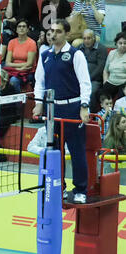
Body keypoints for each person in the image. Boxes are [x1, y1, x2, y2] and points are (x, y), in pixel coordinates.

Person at [33, 19, 92, 204]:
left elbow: (85, 82)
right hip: (52, 110)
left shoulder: (76, 54)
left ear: (66, 34)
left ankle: (81, 190)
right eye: (51, 31)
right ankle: (59, 188)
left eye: (58, 31)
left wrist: (84, 105)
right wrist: (38, 103)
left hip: (73, 108)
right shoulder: (45, 55)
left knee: (77, 152)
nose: (53, 34)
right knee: (54, 152)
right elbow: (39, 82)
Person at [4, 19, 37, 93]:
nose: (21, 28)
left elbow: (30, 64)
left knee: (13, 80)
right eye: (19, 26)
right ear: (16, 30)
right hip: (14, 70)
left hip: (28, 72)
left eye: (24, 26)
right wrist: (18, 68)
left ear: (28, 29)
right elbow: (7, 63)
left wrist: (16, 67)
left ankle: (18, 103)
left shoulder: (32, 43)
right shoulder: (11, 42)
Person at [78, 29, 107, 110]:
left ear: (94, 38)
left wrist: (87, 78)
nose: (86, 41)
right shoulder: (79, 47)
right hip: (80, 79)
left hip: (95, 79)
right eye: (84, 38)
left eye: (89, 38)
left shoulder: (101, 48)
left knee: (91, 92)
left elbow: (100, 68)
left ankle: (91, 115)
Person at [102, 32, 126, 100]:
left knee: (121, 99)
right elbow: (105, 71)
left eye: (125, 43)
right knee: (103, 95)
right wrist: (105, 82)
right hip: (111, 82)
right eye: (120, 43)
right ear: (116, 44)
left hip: (123, 83)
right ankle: (106, 111)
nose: (123, 45)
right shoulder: (111, 53)